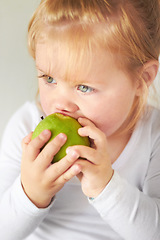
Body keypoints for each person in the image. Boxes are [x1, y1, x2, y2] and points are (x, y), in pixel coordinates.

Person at [0, 0, 160, 239]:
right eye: (49, 79)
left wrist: (105, 187)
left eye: (84, 87)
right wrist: (31, 193)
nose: (60, 104)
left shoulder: (153, 134)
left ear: (141, 79)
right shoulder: (26, 126)